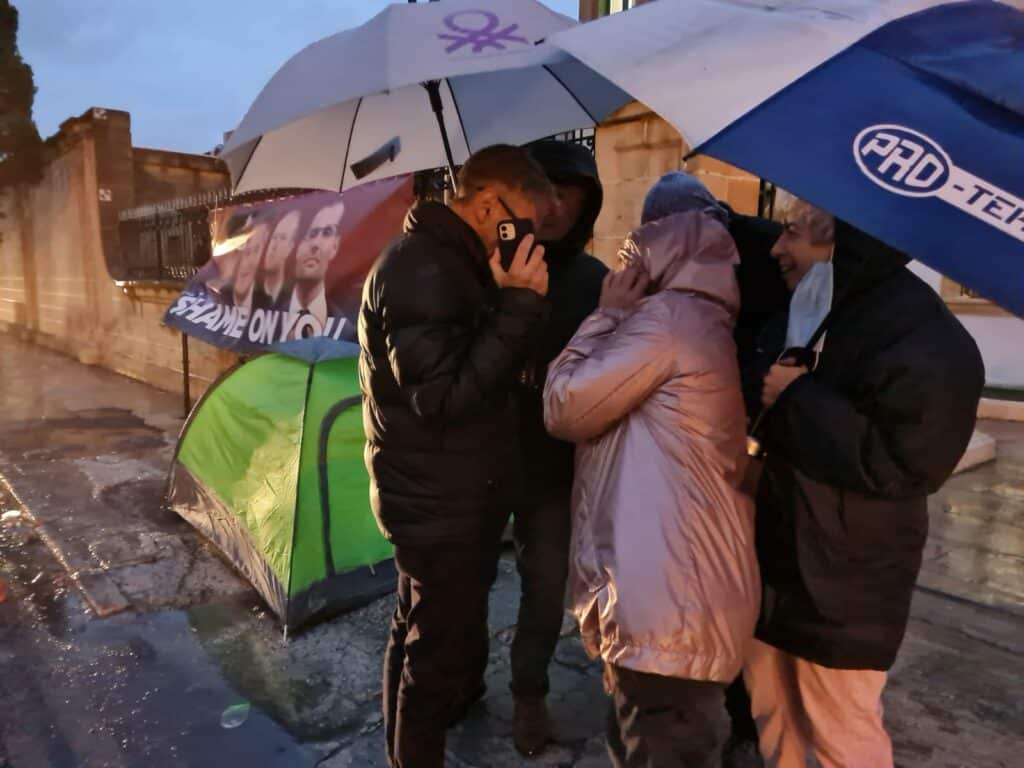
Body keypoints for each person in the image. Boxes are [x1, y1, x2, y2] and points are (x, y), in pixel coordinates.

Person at [743, 199, 985, 767]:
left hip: (843, 586)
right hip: (780, 567)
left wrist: (796, 398)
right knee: (776, 720)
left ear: (840, 241)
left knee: (840, 736)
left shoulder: (924, 334)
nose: (777, 247)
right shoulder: (813, 305)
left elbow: (910, 462)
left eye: (792, 233)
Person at [543, 176, 761, 768]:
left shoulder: (667, 321)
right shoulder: (707, 316)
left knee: (659, 742)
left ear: (657, 237)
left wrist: (606, 315)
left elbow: (564, 406)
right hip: (677, 593)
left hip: (668, 605)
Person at [359, 144, 553, 768]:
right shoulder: (423, 268)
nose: (528, 238)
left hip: (440, 492)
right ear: (490, 205)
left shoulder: (450, 263)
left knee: (414, 631)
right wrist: (517, 306)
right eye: (522, 223)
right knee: (432, 664)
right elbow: (441, 399)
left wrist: (500, 298)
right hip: (437, 503)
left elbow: (465, 368)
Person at [508, 139, 607, 757]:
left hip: (556, 466)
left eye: (568, 196)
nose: (554, 209)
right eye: (544, 194)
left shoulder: (596, 281)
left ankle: (530, 696)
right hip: (486, 457)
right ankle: (461, 682)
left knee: (547, 587)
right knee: (463, 589)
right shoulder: (492, 268)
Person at [287, 201, 346, 339]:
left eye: (327, 233)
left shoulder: (348, 333)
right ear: (296, 246)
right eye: (311, 234)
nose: (315, 244)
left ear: (335, 246)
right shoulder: (263, 321)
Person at [256, 209, 301, 311]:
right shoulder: (252, 290)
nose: (273, 246)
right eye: (274, 237)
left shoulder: (294, 298)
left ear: (290, 248)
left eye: (282, 238)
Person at [224, 221, 270, 312]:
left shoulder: (271, 305)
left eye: (255, 250)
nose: (246, 261)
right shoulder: (215, 298)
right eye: (242, 248)